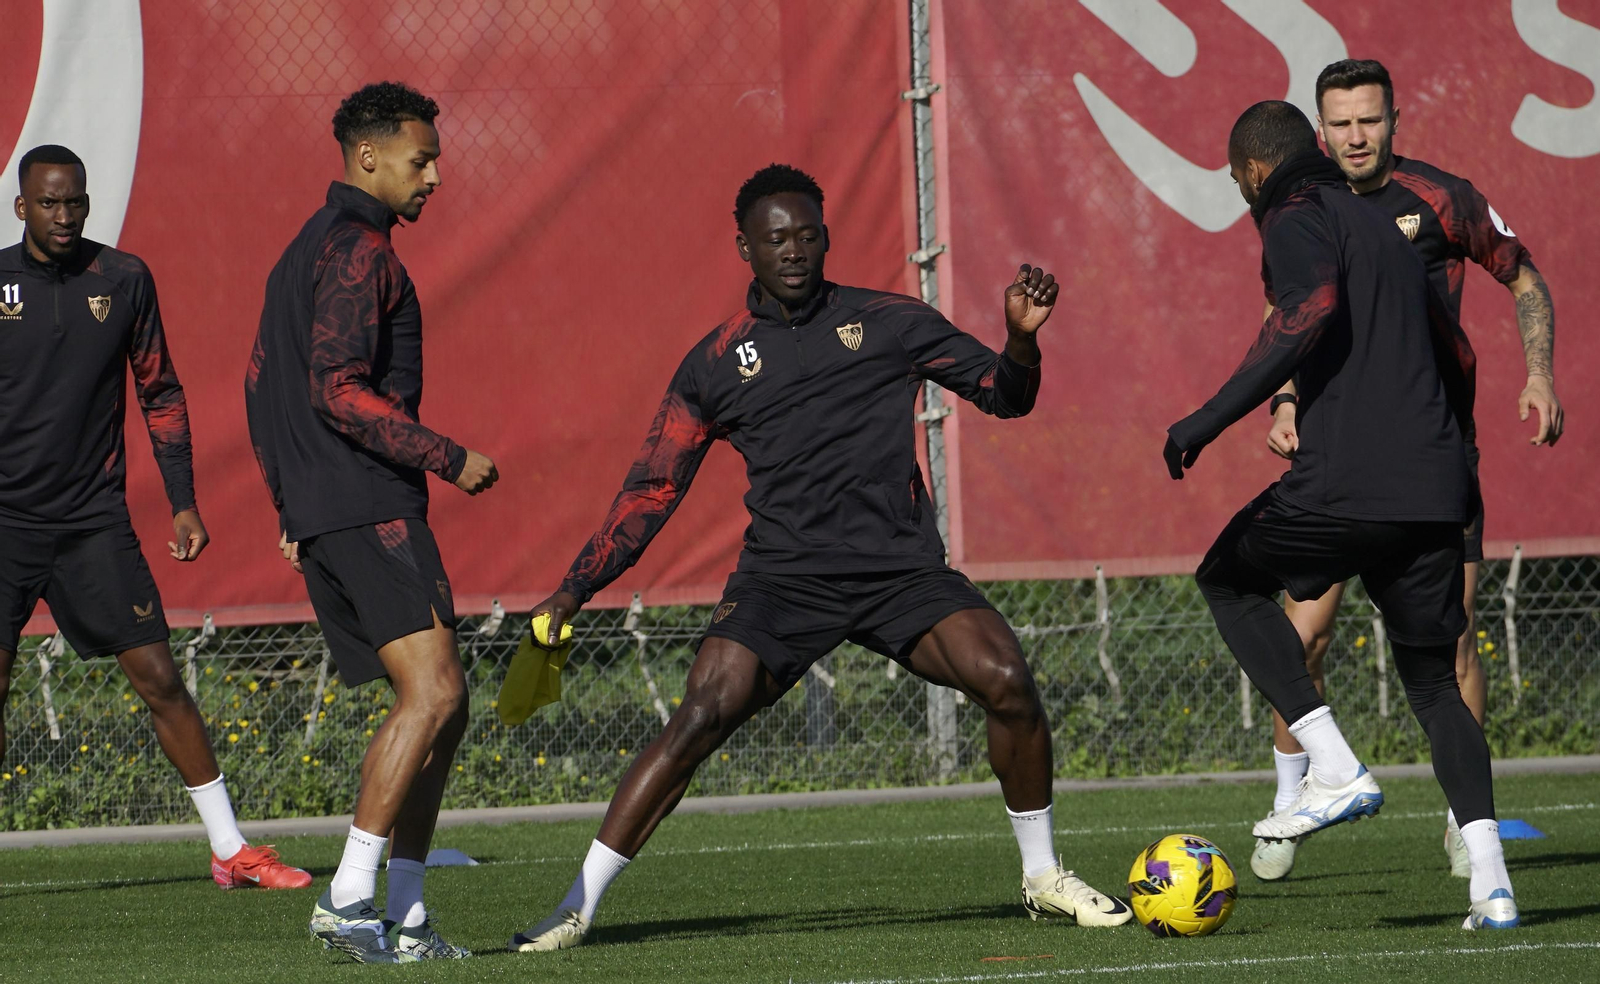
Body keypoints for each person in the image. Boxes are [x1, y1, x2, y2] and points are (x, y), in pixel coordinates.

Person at [510, 163, 1131, 953]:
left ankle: (1043, 877)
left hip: (900, 574)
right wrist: (572, 590)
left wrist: (1020, 340)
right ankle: (576, 907)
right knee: (701, 714)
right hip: (784, 581)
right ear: (745, 247)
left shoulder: (890, 322)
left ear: (827, 238)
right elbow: (652, 491)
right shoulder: (715, 362)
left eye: (807, 235)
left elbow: (1005, 395)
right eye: (776, 239)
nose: (794, 251)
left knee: (1008, 679)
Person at [1166, 101, 1518, 931]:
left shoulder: (1294, 213)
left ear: (1255, 171)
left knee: (1226, 580)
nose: (1243, 195)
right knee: (1434, 684)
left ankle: (1332, 765)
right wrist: (1447, 458)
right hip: (1434, 485)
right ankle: (1493, 887)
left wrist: (1206, 420)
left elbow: (1310, 306)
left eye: (1238, 182)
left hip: (1350, 483)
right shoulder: (1382, 225)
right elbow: (1455, 349)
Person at [1251, 58, 1563, 883]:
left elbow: (1524, 277)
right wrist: (1285, 401)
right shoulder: (1302, 213)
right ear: (1321, 132)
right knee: (1300, 638)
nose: (1357, 136)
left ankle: (1467, 823)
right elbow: (1285, 312)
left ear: (1395, 120)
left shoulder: (1443, 198)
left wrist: (1538, 375)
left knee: (1450, 641)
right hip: (1333, 457)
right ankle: (1291, 800)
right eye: (1341, 123)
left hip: (1433, 456)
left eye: (1370, 119)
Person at [0, 145, 310, 891]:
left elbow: (160, 391)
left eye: (75, 201)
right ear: (21, 207)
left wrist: (182, 501)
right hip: (5, 525)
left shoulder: (124, 279)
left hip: (91, 523)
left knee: (161, 679)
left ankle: (230, 851)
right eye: (49, 203)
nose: (65, 215)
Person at [245, 82, 499, 963]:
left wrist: (288, 504)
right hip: (366, 503)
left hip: (331, 507)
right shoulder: (359, 249)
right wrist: (448, 456)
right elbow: (336, 390)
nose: (435, 176)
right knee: (434, 695)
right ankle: (350, 900)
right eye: (420, 159)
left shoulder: (302, 249)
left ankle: (409, 914)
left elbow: (257, 383)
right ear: (368, 156)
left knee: (444, 706)